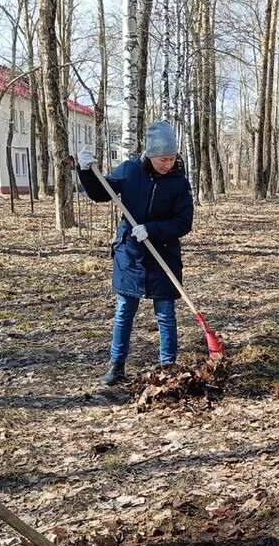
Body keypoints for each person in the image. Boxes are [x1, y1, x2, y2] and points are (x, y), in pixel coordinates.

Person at [78, 121, 193, 386]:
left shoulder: (179, 182)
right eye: (162, 159)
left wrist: (151, 229)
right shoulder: (130, 171)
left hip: (163, 255)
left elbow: (183, 223)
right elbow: (101, 192)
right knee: (124, 310)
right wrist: (86, 171)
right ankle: (116, 366)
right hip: (130, 253)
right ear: (150, 154)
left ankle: (168, 367)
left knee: (165, 314)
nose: (168, 165)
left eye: (172, 159)